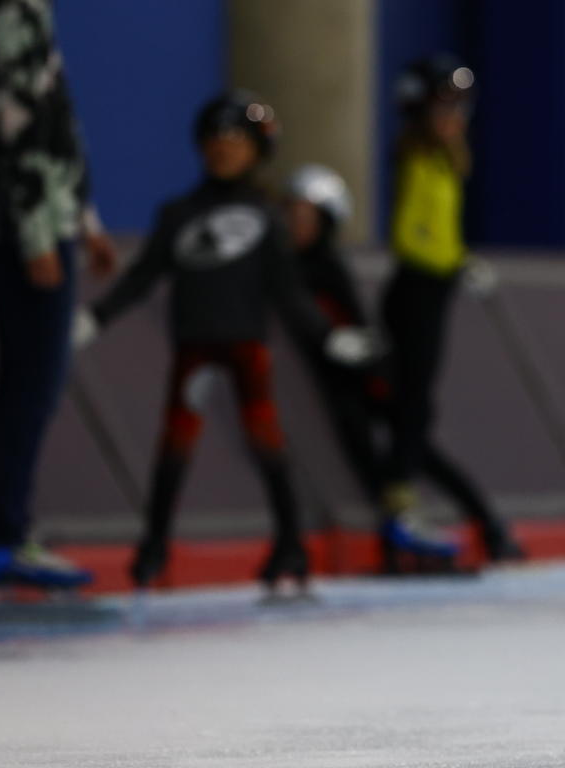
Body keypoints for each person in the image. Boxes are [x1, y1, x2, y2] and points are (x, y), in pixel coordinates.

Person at [73, 91, 373, 595]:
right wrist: (96, 318)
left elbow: (288, 292)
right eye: (216, 139)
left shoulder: (268, 218)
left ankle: (290, 543)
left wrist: (328, 337)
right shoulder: (178, 214)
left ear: (258, 150)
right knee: (174, 445)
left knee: (267, 443)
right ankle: (153, 547)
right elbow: (143, 277)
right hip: (194, 345)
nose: (224, 149)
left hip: (246, 346)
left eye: (236, 140)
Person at [0, 0, 121, 590]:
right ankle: (4, 534)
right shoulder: (8, 16)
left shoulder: (6, 15)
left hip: (38, 220)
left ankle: (5, 532)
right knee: (33, 383)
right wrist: (38, 234)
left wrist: (86, 220)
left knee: (28, 382)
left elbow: (52, 124)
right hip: (29, 227)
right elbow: (13, 127)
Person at [283, 164, 524, 566]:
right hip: (342, 381)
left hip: (368, 377)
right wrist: (327, 338)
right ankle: (403, 530)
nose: (294, 223)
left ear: (325, 221)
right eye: (290, 214)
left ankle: (487, 525)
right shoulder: (288, 266)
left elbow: (349, 320)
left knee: (416, 452)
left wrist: (365, 361)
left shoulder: (326, 266)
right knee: (370, 456)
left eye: (304, 215)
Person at [379, 53, 502, 573]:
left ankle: (403, 506)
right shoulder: (418, 159)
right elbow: (408, 236)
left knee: (419, 404)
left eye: (460, 107)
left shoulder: (446, 160)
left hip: (433, 289)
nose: (455, 117)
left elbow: (440, 233)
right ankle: (400, 509)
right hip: (416, 290)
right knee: (412, 404)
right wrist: (455, 263)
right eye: (444, 106)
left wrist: (459, 259)